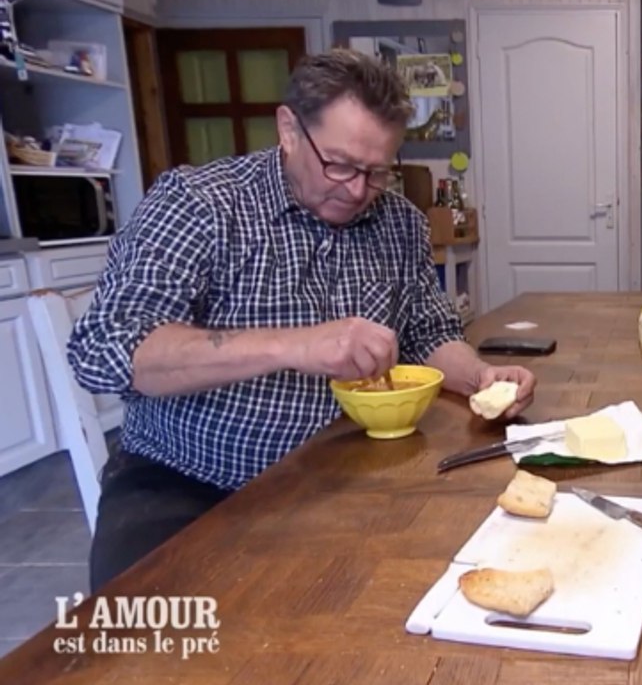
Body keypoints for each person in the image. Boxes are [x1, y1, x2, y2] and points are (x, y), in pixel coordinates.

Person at [68, 49, 537, 591]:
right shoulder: (200, 203)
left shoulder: (400, 222)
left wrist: (481, 378)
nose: (358, 190)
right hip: (183, 482)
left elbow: (428, 333)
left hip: (342, 471)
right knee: (149, 650)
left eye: (378, 171)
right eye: (339, 164)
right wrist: (295, 346)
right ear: (288, 130)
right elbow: (105, 350)